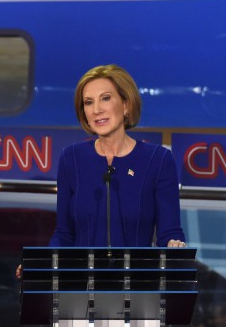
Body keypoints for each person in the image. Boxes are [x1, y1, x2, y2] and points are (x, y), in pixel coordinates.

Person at [16, 64, 185, 278]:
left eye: (105, 98)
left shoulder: (158, 160)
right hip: (79, 289)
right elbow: (65, 234)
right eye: (88, 102)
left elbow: (169, 233)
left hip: (136, 287)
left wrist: (174, 247)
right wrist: (41, 265)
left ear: (126, 104)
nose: (96, 110)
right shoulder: (72, 158)